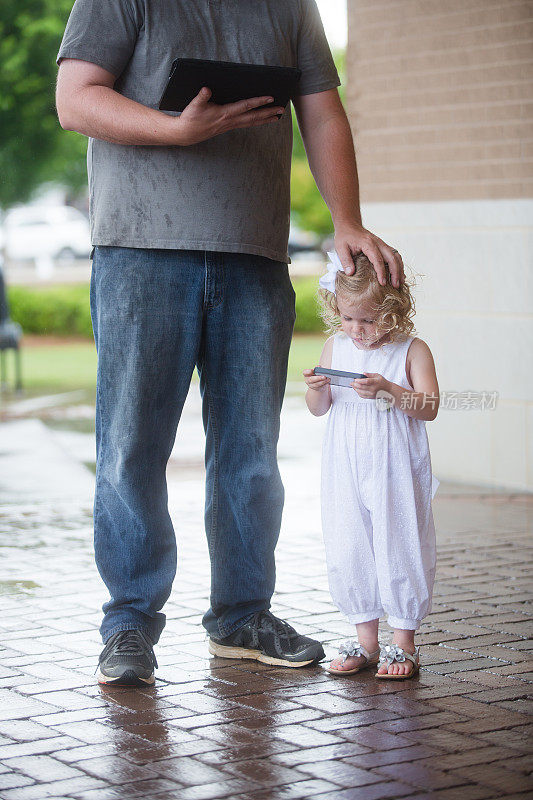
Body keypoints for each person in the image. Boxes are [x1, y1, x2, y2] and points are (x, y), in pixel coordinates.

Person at [55, 0, 405, 686]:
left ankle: (243, 617)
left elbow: (322, 109)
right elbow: (75, 100)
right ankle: (128, 623)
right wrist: (176, 130)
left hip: (254, 256)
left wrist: (347, 221)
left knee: (249, 454)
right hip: (138, 252)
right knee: (131, 446)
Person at [304, 250, 439, 679]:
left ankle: (404, 641)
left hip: (394, 464)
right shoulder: (335, 346)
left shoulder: (411, 351)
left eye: (368, 320)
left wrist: (390, 391)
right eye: (348, 319)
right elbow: (319, 409)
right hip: (344, 463)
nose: (356, 331)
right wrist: (316, 389)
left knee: (399, 539)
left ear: (393, 310)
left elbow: (430, 406)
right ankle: (365, 640)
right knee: (349, 541)